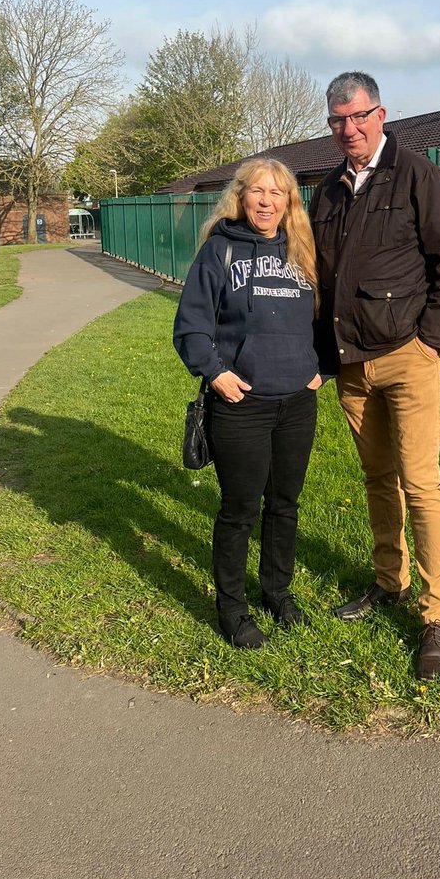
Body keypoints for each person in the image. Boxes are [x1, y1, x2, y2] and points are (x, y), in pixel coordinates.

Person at [309, 72, 440, 679]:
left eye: (357, 117)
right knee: (378, 477)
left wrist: (433, 342)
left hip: (409, 354)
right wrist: (321, 354)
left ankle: (437, 617)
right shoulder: (325, 190)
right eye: (336, 121)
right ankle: (389, 581)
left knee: (421, 482)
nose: (347, 130)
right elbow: (317, 276)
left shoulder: (417, 175)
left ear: (381, 114)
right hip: (351, 362)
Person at [173, 158, 323, 649]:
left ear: (289, 202)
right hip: (242, 405)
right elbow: (191, 326)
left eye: (277, 193)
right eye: (257, 191)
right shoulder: (220, 251)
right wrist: (216, 373)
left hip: (297, 402)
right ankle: (233, 609)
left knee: (284, 505)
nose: (266, 201)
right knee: (240, 509)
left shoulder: (303, 251)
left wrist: (324, 367)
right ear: (240, 196)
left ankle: (277, 592)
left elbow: (327, 317)